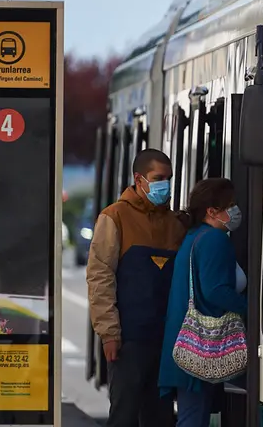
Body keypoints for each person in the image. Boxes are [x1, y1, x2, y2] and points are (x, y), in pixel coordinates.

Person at [86, 148, 185, 427]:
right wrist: (109, 333)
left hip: (167, 342)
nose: (165, 185)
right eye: (158, 178)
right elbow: (100, 276)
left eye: (169, 178)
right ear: (139, 179)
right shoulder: (114, 217)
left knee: (160, 417)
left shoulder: (176, 224)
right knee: (125, 415)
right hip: (128, 341)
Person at [158, 178, 248, 427]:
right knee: (193, 418)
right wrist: (253, 309)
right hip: (204, 342)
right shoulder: (215, 239)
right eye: (230, 205)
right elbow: (216, 291)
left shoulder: (196, 236)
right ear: (212, 211)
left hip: (188, 340)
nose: (235, 211)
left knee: (192, 415)